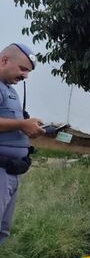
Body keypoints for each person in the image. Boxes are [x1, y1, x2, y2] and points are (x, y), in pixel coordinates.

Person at [0, 43, 45, 244]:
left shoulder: (9, 90)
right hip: (1, 168)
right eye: (23, 69)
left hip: (12, 171)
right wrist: (21, 123)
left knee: (3, 228)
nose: (25, 76)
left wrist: (29, 128)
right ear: (4, 60)